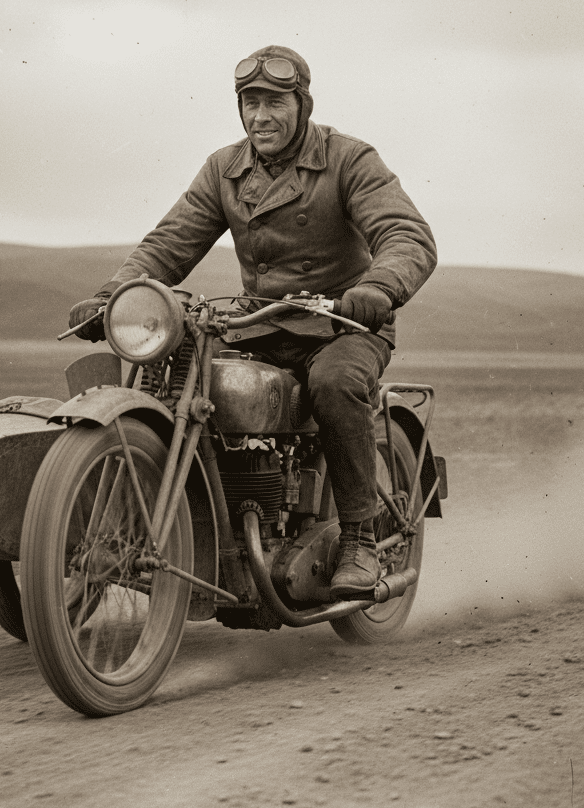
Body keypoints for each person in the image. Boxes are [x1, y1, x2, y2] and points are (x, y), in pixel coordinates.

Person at [68, 45, 437, 599]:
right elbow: (170, 243)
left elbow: (407, 234)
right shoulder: (226, 168)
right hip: (259, 324)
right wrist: (112, 296)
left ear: (302, 104)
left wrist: (377, 289)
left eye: (274, 103)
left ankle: (360, 538)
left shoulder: (348, 159)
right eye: (249, 103)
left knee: (334, 384)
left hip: (342, 324)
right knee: (175, 380)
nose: (260, 117)